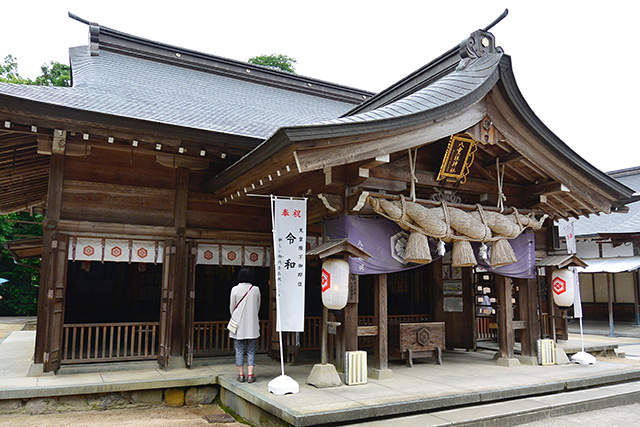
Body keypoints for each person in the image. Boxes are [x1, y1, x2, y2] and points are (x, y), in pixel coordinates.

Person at [229, 267, 261, 383]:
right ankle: (251, 374)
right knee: (251, 349)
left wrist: (236, 316)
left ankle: (241, 374)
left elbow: (232, 307)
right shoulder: (255, 289)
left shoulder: (234, 289)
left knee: (239, 349)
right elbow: (257, 306)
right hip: (252, 324)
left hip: (238, 325)